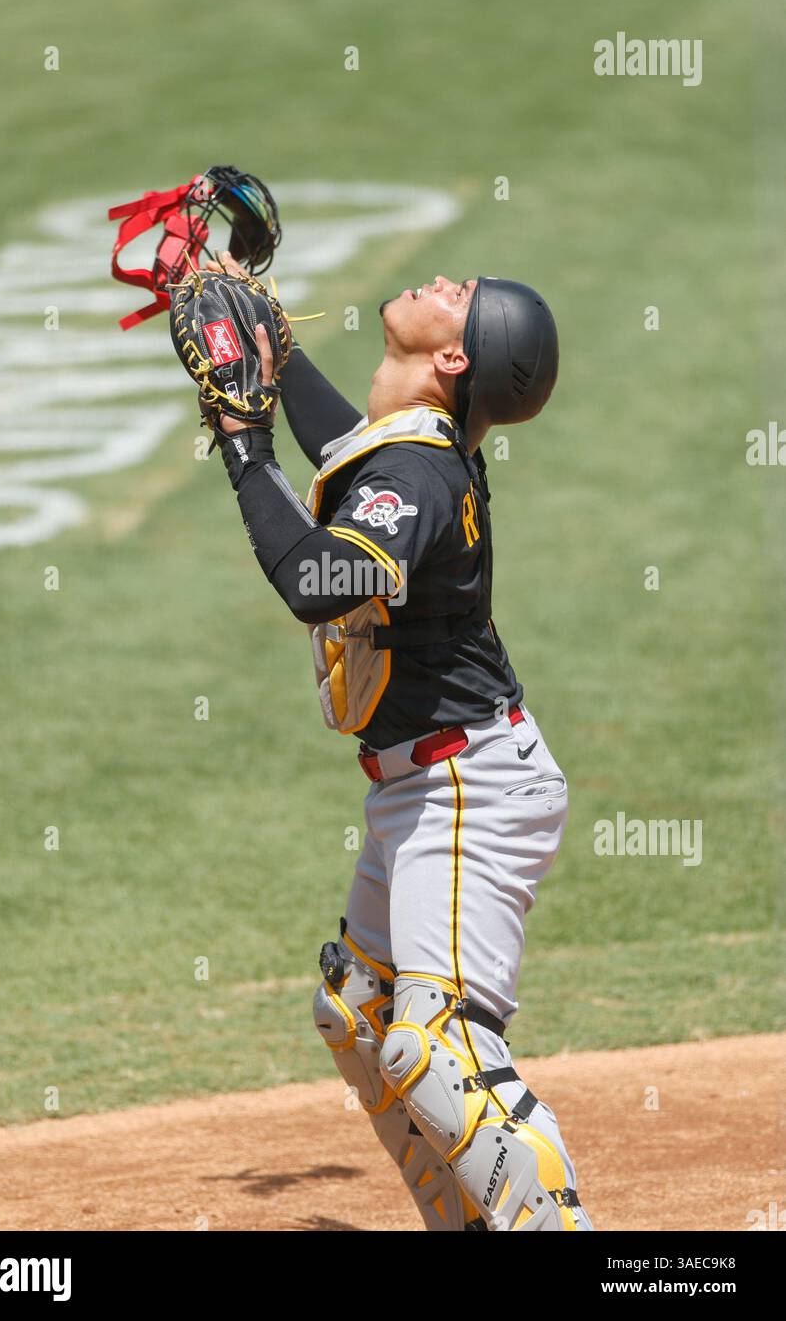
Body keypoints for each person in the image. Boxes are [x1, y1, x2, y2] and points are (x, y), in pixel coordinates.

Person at [206, 252, 591, 1231]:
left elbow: (319, 582)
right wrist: (268, 335)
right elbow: (343, 449)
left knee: (433, 1049)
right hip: (430, 782)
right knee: (358, 1007)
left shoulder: (416, 472)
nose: (444, 278)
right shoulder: (410, 448)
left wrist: (243, 441)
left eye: (460, 295)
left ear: (455, 356)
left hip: (468, 786)